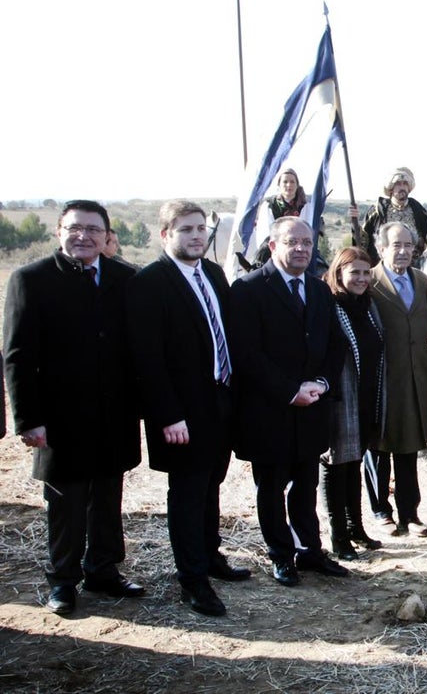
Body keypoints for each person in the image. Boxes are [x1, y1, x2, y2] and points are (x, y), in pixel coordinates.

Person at [3, 200, 144, 615]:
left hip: (113, 416)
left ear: (107, 237)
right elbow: (17, 355)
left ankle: (103, 570)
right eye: (74, 228)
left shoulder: (126, 278)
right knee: (65, 505)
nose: (83, 236)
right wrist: (28, 419)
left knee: (107, 497)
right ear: (58, 232)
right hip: (61, 421)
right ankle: (63, 581)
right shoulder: (31, 279)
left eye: (93, 230)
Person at [126, 200, 249, 617]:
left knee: (212, 483)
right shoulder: (151, 282)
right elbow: (148, 359)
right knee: (187, 492)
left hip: (220, 402)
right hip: (181, 412)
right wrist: (167, 415)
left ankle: (210, 556)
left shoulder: (212, 274)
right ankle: (192, 581)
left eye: (200, 229)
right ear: (166, 235)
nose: (196, 236)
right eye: (185, 230)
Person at [230, 216, 348, 586]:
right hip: (270, 410)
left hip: (312, 408)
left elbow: (334, 343)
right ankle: (281, 555)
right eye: (292, 242)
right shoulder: (248, 289)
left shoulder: (318, 290)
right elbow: (247, 354)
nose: (301, 249)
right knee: (272, 487)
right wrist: (289, 390)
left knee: (306, 484)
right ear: (273, 246)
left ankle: (310, 551)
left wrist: (322, 384)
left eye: (307, 243)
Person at [367, 222, 427, 537]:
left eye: (408, 245)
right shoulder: (369, 282)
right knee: (378, 447)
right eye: (396, 245)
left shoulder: (423, 282)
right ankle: (381, 511)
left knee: (408, 448)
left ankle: (411, 513)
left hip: (415, 378)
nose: (404, 251)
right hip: (381, 378)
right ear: (381, 249)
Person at [322, 247, 387, 560]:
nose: (361, 278)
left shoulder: (369, 306)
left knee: (355, 464)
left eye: (366, 272)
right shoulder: (331, 306)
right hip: (339, 399)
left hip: (366, 397)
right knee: (336, 468)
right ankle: (339, 538)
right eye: (354, 273)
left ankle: (356, 527)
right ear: (339, 274)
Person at [361, 167, 427, 267]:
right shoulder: (377, 210)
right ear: (391, 188)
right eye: (398, 184)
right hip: (382, 268)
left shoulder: (418, 210)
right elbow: (363, 240)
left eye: (405, 184)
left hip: (414, 267)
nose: (402, 187)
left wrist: (426, 254)